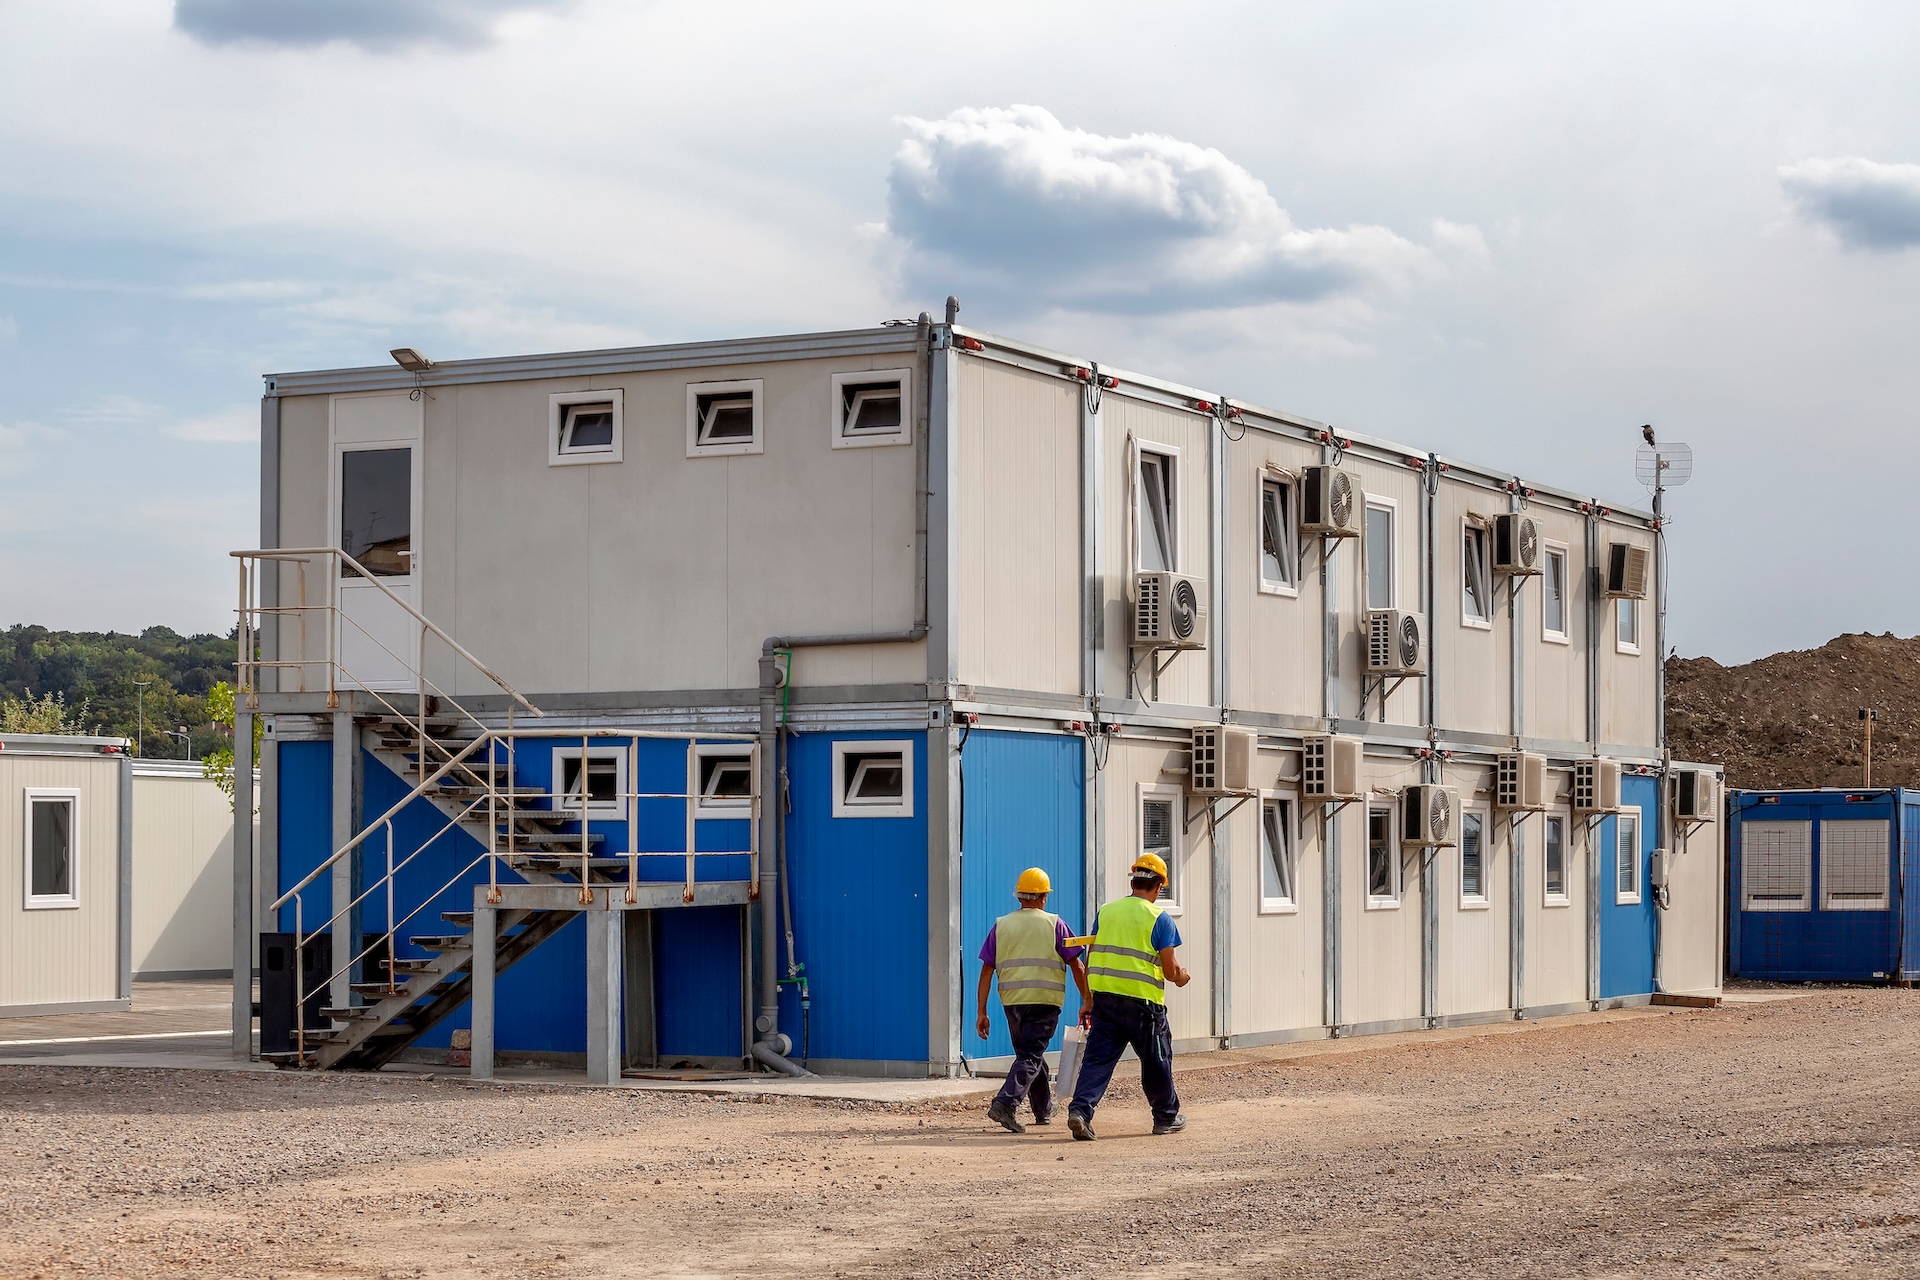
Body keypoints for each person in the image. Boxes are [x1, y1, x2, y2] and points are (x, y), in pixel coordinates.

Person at [1066, 852, 1190, 1140]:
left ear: (1134, 881)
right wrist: (1182, 977)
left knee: (1097, 1060)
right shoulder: (1160, 918)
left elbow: (1093, 956)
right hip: (1143, 1005)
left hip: (1105, 1000)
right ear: (1159, 886)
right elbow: (1170, 970)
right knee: (1156, 1059)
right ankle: (1165, 1117)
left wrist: (1088, 999)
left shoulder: (1106, 911)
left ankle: (1080, 1111)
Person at [975, 867, 1091, 1133]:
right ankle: (1005, 1103)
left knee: (1029, 1054)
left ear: (1019, 897)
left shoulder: (1001, 926)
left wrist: (981, 1011)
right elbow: (1077, 966)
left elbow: (986, 971)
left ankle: (1043, 1109)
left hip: (1012, 1002)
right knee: (1030, 1055)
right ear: (1043, 897)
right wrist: (1087, 999)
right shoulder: (1055, 924)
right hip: (1044, 1001)